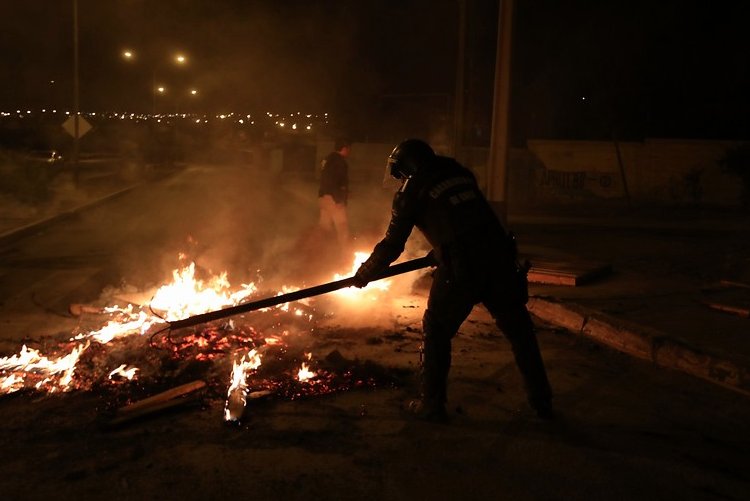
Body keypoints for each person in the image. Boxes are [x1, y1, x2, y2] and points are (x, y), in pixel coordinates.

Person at [353, 139, 553, 422]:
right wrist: (439, 249)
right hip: (500, 258)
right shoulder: (458, 172)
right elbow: (465, 216)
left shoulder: (410, 192)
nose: (398, 178)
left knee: (436, 330)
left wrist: (366, 272)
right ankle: (542, 402)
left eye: (398, 172)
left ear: (407, 166)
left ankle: (431, 404)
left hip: (463, 266)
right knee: (521, 333)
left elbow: (392, 245)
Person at [318, 138, 351, 253]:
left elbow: (325, 178)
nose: (349, 151)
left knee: (324, 227)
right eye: (348, 149)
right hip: (334, 199)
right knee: (342, 228)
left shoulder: (327, 159)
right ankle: (345, 254)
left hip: (323, 197)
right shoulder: (339, 162)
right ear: (344, 148)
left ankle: (317, 251)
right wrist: (339, 200)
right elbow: (335, 181)